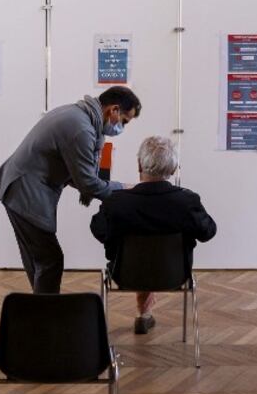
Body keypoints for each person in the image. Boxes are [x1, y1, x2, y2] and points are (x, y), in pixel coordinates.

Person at [0, 86, 141, 294]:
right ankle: (49, 318)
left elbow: (77, 175)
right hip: (26, 192)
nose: (121, 127)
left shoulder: (77, 114)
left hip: (18, 187)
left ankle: (42, 313)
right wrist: (124, 188)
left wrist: (97, 184)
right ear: (113, 110)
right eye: (124, 121)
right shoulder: (82, 129)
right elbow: (87, 182)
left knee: (38, 259)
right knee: (50, 259)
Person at [90, 136, 216, 334]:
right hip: (174, 275)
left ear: (140, 165)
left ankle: (144, 314)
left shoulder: (117, 202)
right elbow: (208, 232)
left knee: (142, 259)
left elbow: (99, 231)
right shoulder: (187, 202)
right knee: (153, 258)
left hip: (125, 275)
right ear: (173, 169)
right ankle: (145, 314)